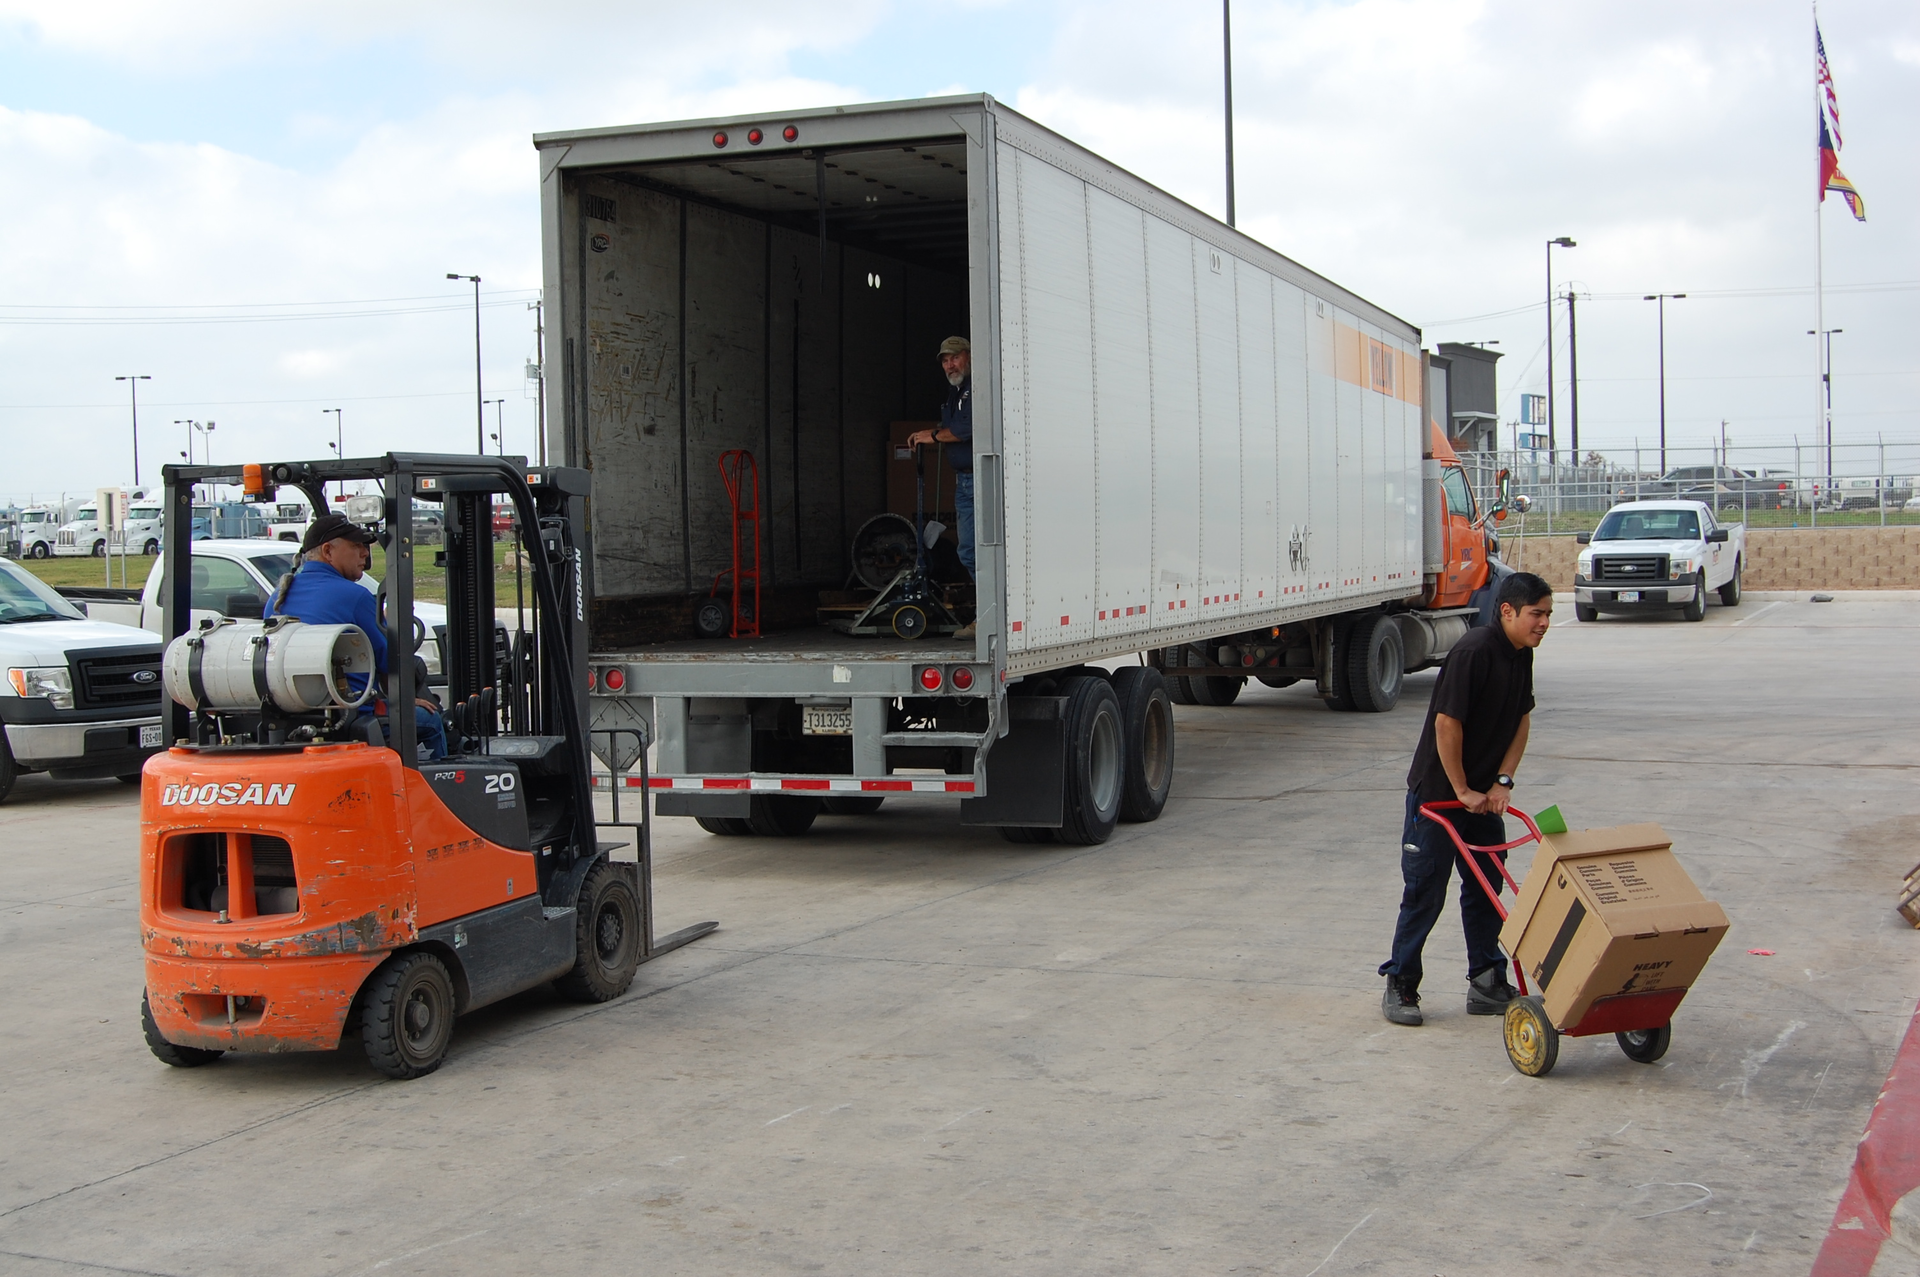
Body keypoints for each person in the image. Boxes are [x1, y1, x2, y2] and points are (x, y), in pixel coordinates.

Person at [1379, 571, 1554, 1026]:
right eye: (1537, 614)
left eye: (1549, 614)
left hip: (1481, 798)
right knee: (1425, 893)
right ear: (1508, 612)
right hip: (1438, 798)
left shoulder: (1522, 654)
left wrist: (1502, 783)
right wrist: (1461, 790)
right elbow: (1445, 724)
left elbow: (1522, 721)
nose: (1544, 623)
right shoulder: (1475, 651)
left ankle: (1486, 979)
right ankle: (1401, 982)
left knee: (1486, 889)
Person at [264, 511, 448, 760]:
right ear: (328, 551)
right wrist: (405, 698)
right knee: (434, 721)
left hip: (294, 713)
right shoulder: (355, 596)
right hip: (351, 714)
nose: (365, 553)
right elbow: (389, 660)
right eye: (357, 546)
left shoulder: (278, 598)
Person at [907, 336, 975, 638]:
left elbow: (964, 430)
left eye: (955, 357)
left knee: (976, 550)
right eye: (945, 360)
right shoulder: (955, 393)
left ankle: (989, 617)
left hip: (978, 479)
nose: (950, 364)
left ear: (969, 357)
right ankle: (986, 615)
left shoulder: (975, 390)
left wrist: (932, 436)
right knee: (968, 550)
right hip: (964, 479)